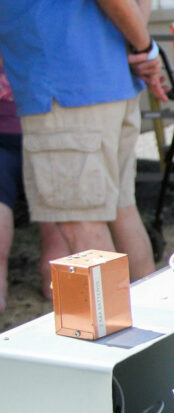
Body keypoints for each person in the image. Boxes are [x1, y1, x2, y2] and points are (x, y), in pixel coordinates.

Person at [0, 0, 169, 282]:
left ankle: (117, 327)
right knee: (120, 211)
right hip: (103, 80)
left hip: (63, 87)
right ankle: (154, 323)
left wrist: (144, 48)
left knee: (82, 225)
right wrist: (143, 47)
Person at [0, 56, 69, 312]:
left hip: (11, 129)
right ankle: (58, 289)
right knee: (56, 213)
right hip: (48, 124)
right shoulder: (40, 18)